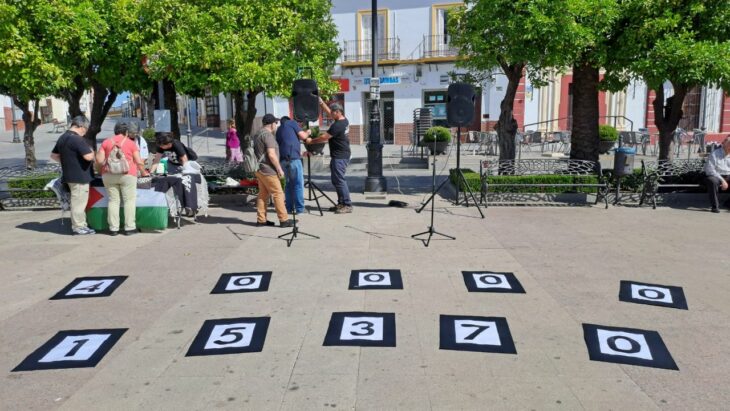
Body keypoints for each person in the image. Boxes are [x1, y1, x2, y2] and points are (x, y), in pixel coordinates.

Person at [95, 121, 149, 235]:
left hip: (108, 175)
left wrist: (101, 172)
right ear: (126, 132)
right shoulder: (131, 143)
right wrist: (144, 172)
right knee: (129, 200)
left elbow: (99, 161)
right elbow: (139, 161)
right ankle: (129, 228)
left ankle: (113, 228)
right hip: (127, 175)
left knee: (113, 201)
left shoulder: (106, 142)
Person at [50, 115, 96, 235]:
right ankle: (79, 227)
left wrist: (67, 162)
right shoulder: (77, 139)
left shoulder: (62, 137)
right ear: (80, 126)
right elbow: (89, 157)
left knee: (76, 201)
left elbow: (54, 156)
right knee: (79, 203)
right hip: (79, 176)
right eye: (85, 129)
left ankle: (79, 225)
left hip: (69, 176)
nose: (85, 132)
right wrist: (91, 150)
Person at [306, 99, 352, 214]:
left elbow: (323, 138)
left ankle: (347, 204)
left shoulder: (337, 126)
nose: (329, 114)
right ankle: (341, 203)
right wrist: (321, 103)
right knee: (336, 180)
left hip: (340, 156)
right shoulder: (344, 120)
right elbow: (330, 112)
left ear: (337, 112)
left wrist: (311, 141)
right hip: (341, 154)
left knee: (339, 180)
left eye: (332, 112)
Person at [253, 114, 292, 227]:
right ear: (271, 124)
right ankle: (284, 220)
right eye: (276, 123)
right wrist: (279, 169)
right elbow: (271, 154)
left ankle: (261, 220)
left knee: (263, 194)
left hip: (259, 169)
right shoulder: (268, 136)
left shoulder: (257, 134)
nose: (276, 125)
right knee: (278, 194)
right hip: (268, 170)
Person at [276, 116, 311, 214]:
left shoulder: (279, 130)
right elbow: (303, 136)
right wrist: (308, 132)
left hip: (283, 160)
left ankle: (289, 208)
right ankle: (300, 209)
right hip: (294, 160)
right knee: (298, 184)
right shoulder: (291, 123)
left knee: (287, 185)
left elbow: (284, 145)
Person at [703, 136, 730, 213]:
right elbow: (710, 170)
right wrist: (723, 180)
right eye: (729, 144)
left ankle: (728, 203)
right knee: (712, 181)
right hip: (716, 175)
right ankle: (715, 206)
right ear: (723, 144)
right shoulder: (715, 153)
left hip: (728, 175)